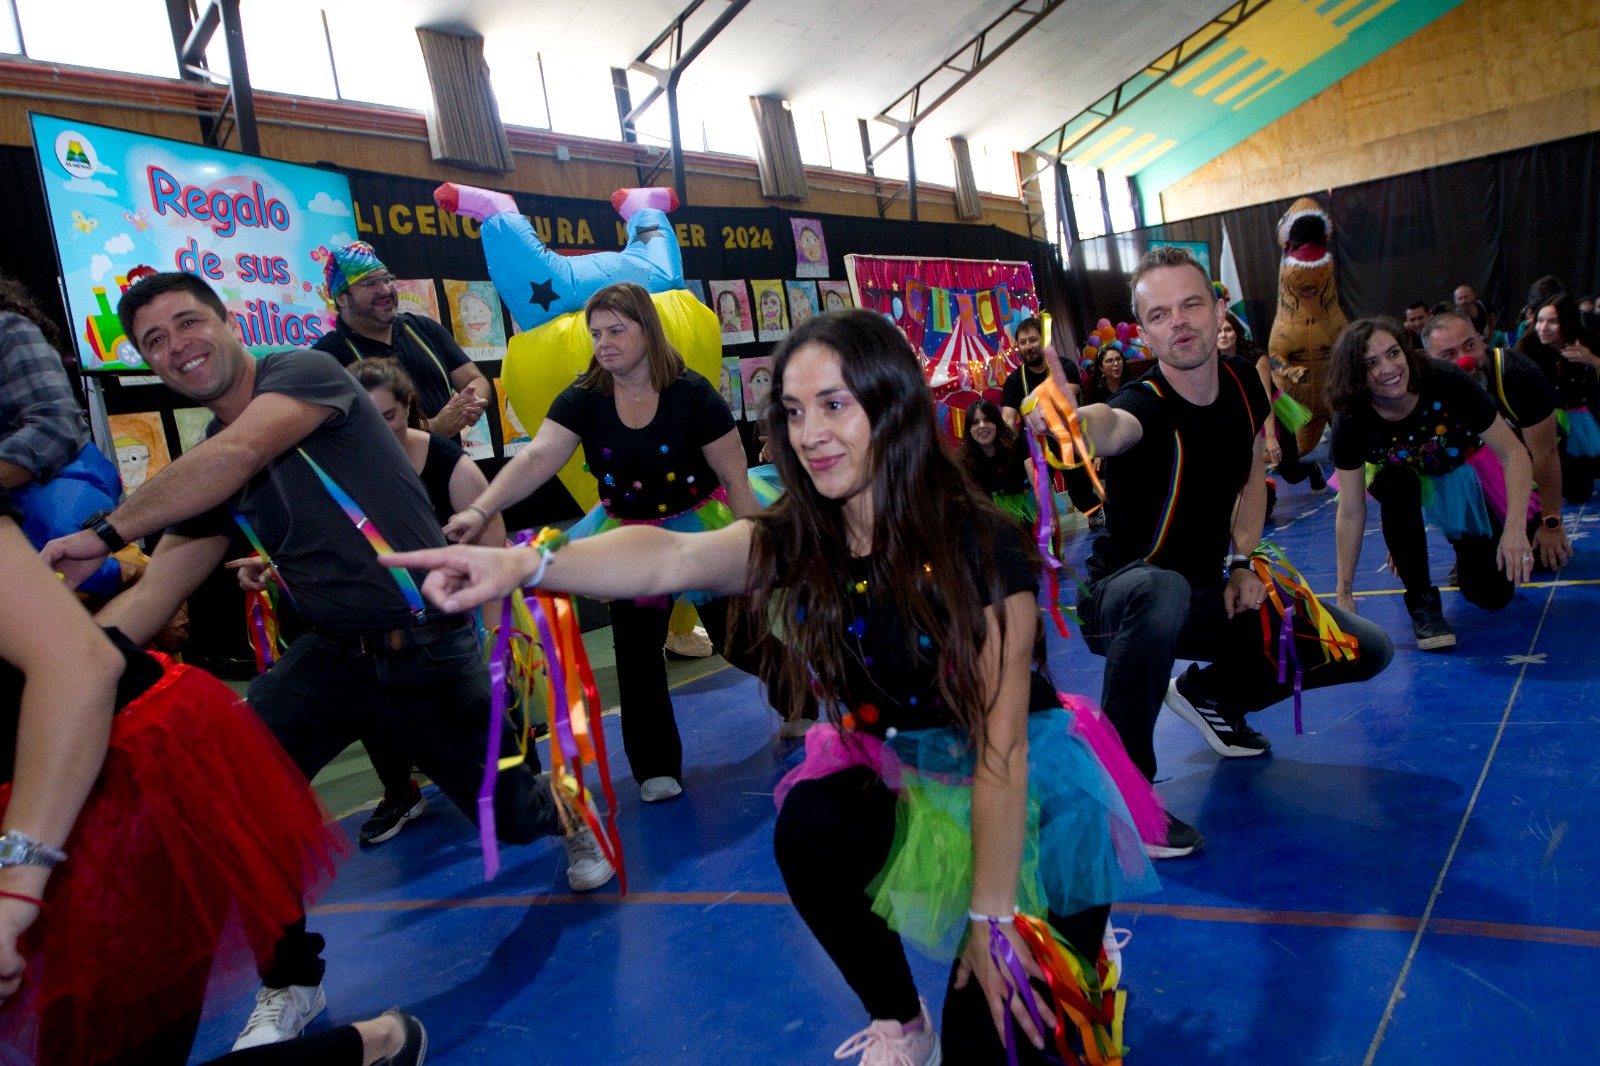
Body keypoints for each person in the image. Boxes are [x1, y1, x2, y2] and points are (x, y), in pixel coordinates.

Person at [383, 309, 1161, 1065]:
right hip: (903, 764)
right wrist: (528, 564)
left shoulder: (978, 543)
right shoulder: (804, 533)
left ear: (892, 405)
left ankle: (1069, 950)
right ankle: (900, 1020)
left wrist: (994, 924)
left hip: (1019, 794)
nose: (809, 432)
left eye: (834, 404)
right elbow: (673, 558)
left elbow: (1001, 753)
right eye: (793, 410)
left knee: (990, 1043)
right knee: (811, 828)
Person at [40, 272, 611, 1051]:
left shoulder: (304, 375)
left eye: (187, 322)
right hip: (333, 660)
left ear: (228, 322)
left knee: (513, 818)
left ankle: (567, 811)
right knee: (230, 798)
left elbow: (243, 450)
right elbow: (151, 599)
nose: (177, 346)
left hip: (428, 651)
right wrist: (53, 667)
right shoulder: (206, 469)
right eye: (155, 341)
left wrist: (104, 534)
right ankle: (292, 979)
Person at [0, 481, 359, 1065]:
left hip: (121, 757)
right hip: (50, 762)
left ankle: (346, 1027)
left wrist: (16, 879)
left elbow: (84, 660)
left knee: (115, 1031)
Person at [1055, 247, 1392, 856]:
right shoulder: (1143, 404)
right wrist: (1074, 423)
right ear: (1145, 332)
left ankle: (1209, 695)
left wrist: (1241, 562)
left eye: (1190, 305)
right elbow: (1109, 426)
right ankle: (1126, 794)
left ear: (1217, 312)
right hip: (1121, 601)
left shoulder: (1242, 382)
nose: (1178, 322)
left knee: (1364, 648)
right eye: (1159, 315)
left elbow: (1252, 473)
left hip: (1204, 592)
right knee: (1162, 588)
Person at [443, 282, 764, 803]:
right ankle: (655, 767)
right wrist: (480, 509)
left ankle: (801, 698)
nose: (603, 343)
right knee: (637, 658)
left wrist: (757, 555)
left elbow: (737, 479)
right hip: (627, 543)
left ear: (648, 330)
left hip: (700, 533)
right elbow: (538, 457)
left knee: (740, 642)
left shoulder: (693, 394)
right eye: (596, 334)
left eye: (616, 331)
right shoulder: (584, 397)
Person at [231, 358, 510, 847]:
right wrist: (273, 566)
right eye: (366, 417)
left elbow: (494, 551)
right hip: (369, 629)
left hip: (451, 625)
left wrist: (493, 637)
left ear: (409, 407)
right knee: (363, 673)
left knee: (497, 767)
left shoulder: (446, 462)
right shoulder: (328, 467)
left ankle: (533, 802)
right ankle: (400, 790)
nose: (377, 428)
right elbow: (328, 546)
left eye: (388, 416)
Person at [1328, 317, 1535, 651]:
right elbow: (1351, 510)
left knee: (1492, 595)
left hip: (1457, 471)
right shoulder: (1351, 417)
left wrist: (1514, 529)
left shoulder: (1446, 380)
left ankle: (1463, 551)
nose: (1388, 368)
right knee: (1397, 484)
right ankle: (1423, 603)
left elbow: (1514, 453)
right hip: (1399, 477)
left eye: (1393, 353)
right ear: (1355, 375)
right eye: (1371, 363)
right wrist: (1344, 595)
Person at [0, 274, 124, 595]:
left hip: (58, 484)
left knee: (64, 565)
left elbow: (55, 425)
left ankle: (131, 576)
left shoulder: (8, 330)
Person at [1421, 311, 1571, 570]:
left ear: (1483, 340)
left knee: (1538, 561)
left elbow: (1545, 454)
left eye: (1470, 346)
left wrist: (1551, 522)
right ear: (1429, 360)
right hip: (1467, 475)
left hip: (1524, 471)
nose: (1464, 360)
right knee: (1484, 576)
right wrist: (1402, 539)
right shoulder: (1419, 388)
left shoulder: (1519, 375)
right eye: (1448, 355)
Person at [311, 243, 489, 438]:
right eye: (370, 284)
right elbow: (348, 433)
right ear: (341, 298)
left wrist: (469, 405)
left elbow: (475, 380)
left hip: (452, 457)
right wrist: (434, 427)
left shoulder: (423, 328)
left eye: (387, 279)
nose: (385, 290)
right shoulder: (328, 357)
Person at [1000, 318, 1100, 525]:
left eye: (1033, 340)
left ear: (1044, 340)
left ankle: (1093, 510)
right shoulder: (1014, 380)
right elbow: (1008, 418)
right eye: (1023, 342)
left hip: (1065, 435)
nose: (1028, 346)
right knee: (1033, 473)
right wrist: (1004, 442)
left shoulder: (1064, 366)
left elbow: (1067, 398)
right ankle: (1045, 518)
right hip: (1034, 440)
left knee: (1080, 492)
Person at [1222, 311, 1327, 492]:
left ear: (1237, 332)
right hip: (1241, 415)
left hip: (1273, 413)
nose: (1222, 335)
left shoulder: (1256, 357)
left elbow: (1265, 398)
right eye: (1218, 331)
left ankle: (1312, 469)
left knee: (1290, 473)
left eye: (1228, 330)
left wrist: (1270, 438)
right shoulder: (1212, 362)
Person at [1514, 292, 1600, 504]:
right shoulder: (1528, 349)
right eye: (1540, 320)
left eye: (1552, 321)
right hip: (1544, 424)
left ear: (1567, 322)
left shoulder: (1589, 342)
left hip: (1583, 423)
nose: (1543, 327)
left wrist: (1593, 361)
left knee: (1579, 492)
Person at [958, 397, 1034, 527]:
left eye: (987, 419)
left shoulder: (1019, 442)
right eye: (975, 422)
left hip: (1030, 508)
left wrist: (1047, 514)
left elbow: (1037, 480)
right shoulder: (963, 460)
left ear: (997, 423)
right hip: (991, 519)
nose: (982, 426)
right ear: (969, 429)